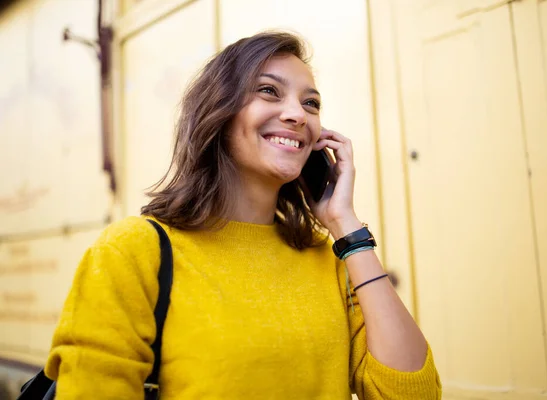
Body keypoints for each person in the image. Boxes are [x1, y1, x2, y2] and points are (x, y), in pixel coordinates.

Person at [44, 31, 442, 399]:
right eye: (269, 91)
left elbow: (413, 393)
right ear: (219, 112)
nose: (298, 115)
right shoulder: (134, 250)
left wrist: (346, 225)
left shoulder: (329, 258)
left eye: (311, 103)